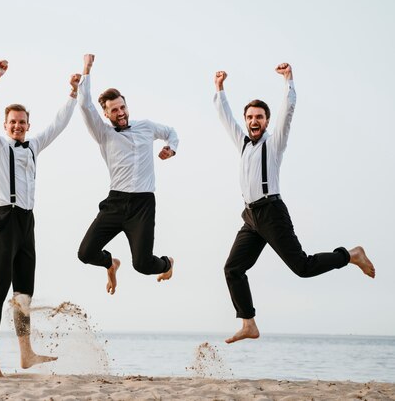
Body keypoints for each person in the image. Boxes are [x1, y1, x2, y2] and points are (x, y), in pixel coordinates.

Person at [213, 63, 376, 344]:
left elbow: (287, 112)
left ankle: (350, 255)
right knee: (233, 269)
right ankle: (248, 323)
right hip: (251, 217)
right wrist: (219, 88)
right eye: (250, 116)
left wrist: (289, 81)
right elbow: (224, 116)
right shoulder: (241, 143)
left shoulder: (274, 143)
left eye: (260, 117)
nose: (254, 121)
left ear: (266, 121)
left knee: (302, 267)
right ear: (245, 119)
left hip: (272, 212)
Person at [0, 60, 78, 377]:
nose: (18, 126)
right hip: (4, 221)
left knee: (24, 292)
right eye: (13, 122)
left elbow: (58, 126)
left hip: (27, 223)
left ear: (27, 125)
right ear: (5, 125)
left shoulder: (33, 147)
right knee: (0, 288)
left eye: (22, 122)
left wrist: (73, 95)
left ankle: (26, 353)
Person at [76, 54, 178, 295]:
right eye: (114, 110)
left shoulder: (146, 127)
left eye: (122, 107)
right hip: (115, 203)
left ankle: (167, 263)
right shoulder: (103, 133)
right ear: (106, 114)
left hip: (142, 205)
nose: (120, 112)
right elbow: (84, 105)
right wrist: (86, 70)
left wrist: (171, 148)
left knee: (142, 265)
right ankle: (110, 263)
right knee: (85, 253)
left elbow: (171, 131)